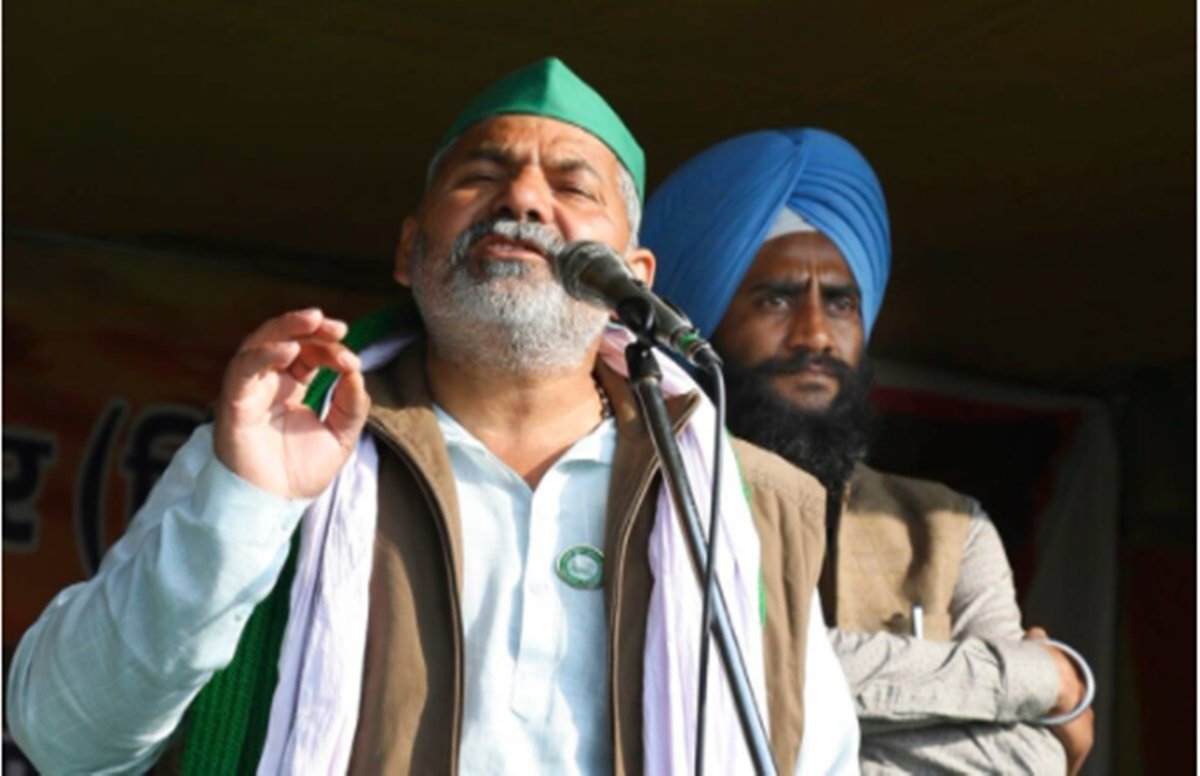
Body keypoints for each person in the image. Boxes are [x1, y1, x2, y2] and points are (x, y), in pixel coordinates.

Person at [7, 61, 859, 775]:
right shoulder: (287, 446)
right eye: (481, 176)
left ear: (633, 277)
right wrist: (244, 505)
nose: (522, 197)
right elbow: (63, 738)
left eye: (570, 184)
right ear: (411, 251)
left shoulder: (744, 503)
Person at [641, 127, 1096, 774]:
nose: (818, 334)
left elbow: (1035, 752)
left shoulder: (947, 527)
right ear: (702, 324)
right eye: (775, 299)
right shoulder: (648, 499)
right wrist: (1036, 678)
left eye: (842, 302)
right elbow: (709, 675)